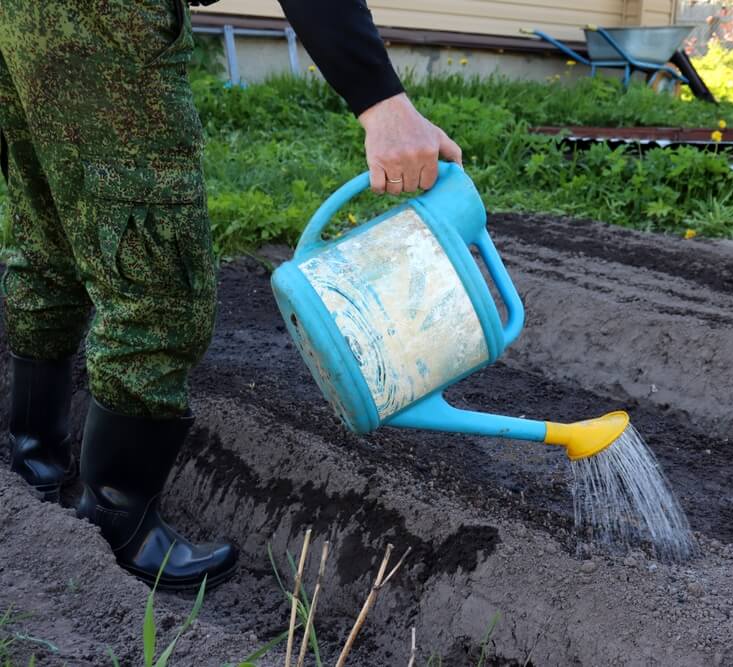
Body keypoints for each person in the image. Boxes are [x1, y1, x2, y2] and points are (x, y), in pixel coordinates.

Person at [1, 0, 461, 591]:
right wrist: (382, 102)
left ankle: (34, 453)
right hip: (105, 21)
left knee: (49, 233)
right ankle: (120, 522)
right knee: (159, 280)